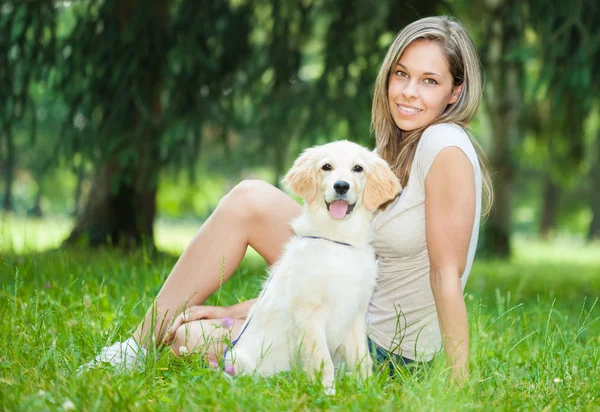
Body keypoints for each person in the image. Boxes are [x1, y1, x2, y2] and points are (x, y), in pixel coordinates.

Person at [84, 15, 493, 383]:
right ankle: (136, 347)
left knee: (188, 338)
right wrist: (244, 310)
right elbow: (329, 266)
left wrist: (457, 386)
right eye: (401, 74)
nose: (407, 92)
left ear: (455, 92)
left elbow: (446, 275)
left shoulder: (444, 144)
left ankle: (153, 347)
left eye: (429, 81)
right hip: (348, 315)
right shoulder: (400, 148)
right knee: (249, 199)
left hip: (381, 350)